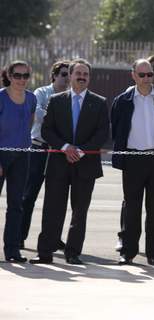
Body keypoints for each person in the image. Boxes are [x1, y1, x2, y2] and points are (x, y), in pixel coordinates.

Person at [30, 58, 109, 265]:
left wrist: (82, 151)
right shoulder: (56, 100)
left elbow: (103, 133)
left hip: (86, 165)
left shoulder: (99, 102)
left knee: (79, 211)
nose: (82, 77)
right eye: (78, 73)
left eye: (85, 74)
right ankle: (44, 252)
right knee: (52, 209)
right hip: (58, 163)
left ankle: (73, 253)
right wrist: (65, 147)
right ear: (70, 76)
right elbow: (47, 130)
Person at [111, 59, 154, 266]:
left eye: (150, 74)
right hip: (133, 158)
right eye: (143, 75)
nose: (147, 79)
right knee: (132, 208)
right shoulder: (123, 100)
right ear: (133, 75)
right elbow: (117, 128)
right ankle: (128, 252)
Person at [21, 60, 70, 250]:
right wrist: (59, 118)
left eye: (69, 74)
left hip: (59, 151)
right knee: (29, 195)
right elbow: (38, 113)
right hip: (39, 148)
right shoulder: (42, 92)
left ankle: (52, 237)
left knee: (55, 199)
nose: (67, 78)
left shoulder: (70, 96)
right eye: (64, 74)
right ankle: (19, 236)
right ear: (55, 75)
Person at [0, 60, 36, 262]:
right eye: (17, 75)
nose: (21, 80)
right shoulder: (1, 97)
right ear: (9, 76)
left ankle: (12, 251)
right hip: (1, 155)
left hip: (22, 155)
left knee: (16, 205)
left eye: (25, 76)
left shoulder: (31, 99)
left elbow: (28, 123)